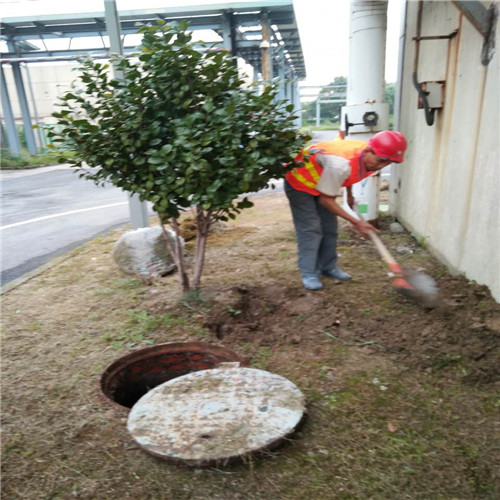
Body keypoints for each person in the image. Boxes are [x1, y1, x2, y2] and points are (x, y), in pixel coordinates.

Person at [284, 130, 407, 290]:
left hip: (323, 183)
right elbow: (326, 199)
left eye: (388, 163)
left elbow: (350, 172)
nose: (382, 166)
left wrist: (349, 194)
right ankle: (309, 273)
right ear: (369, 151)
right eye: (381, 160)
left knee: (329, 228)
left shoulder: (368, 157)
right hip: (300, 183)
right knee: (311, 230)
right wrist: (356, 222)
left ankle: (328, 267)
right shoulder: (340, 164)